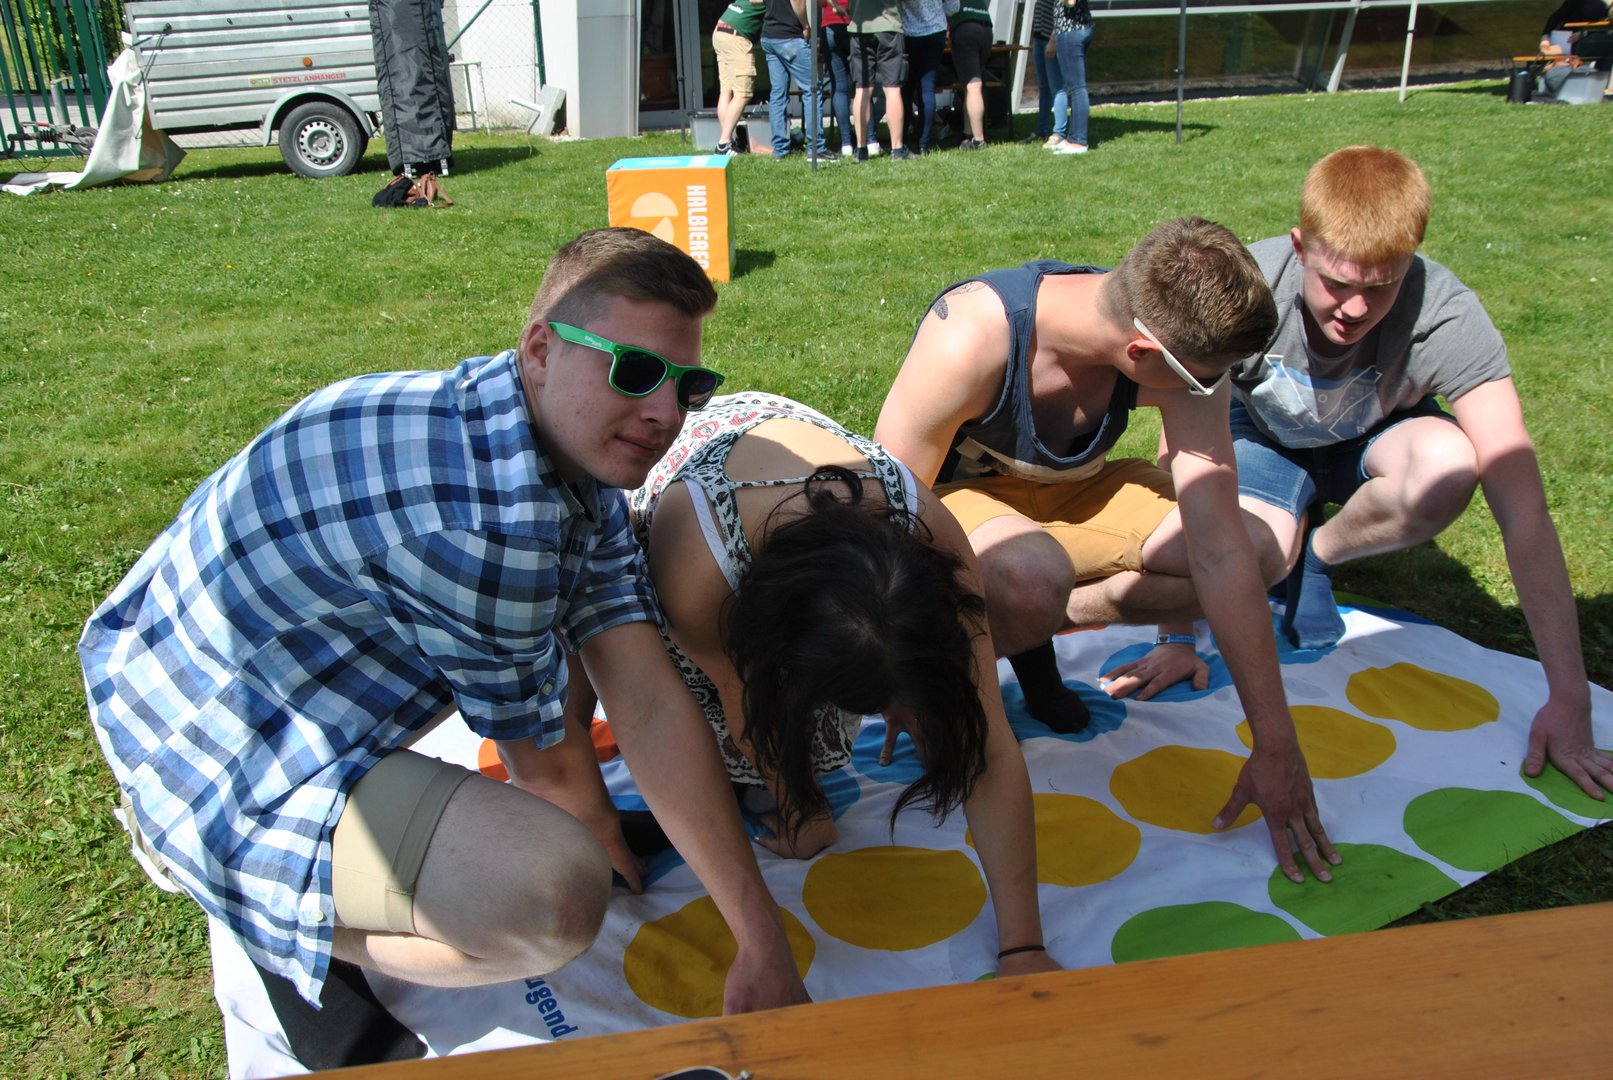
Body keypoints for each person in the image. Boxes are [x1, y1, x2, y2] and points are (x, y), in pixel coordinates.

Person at [78, 228, 810, 1068]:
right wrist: (597, 828)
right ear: (541, 349)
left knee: (580, 815)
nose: (665, 413)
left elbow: (642, 693)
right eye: (635, 371)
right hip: (209, 742)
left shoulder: (533, 432)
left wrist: (759, 935)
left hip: (240, 672)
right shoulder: (489, 529)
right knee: (554, 896)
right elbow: (552, 772)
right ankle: (268, 906)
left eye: (690, 384)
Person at [874, 217, 1339, 885]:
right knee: (1029, 576)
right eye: (1207, 380)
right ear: (1143, 354)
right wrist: (905, 674)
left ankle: (1042, 616)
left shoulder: (1171, 338)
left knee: (1262, 547)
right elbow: (891, 518)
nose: (1216, 388)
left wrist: (1276, 745)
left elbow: (1220, 549)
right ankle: (1015, 616)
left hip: (1077, 491)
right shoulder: (969, 338)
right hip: (956, 501)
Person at [567, 391, 1059, 977]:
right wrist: (798, 810)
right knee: (704, 722)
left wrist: (1024, 947)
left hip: (783, 477)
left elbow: (988, 745)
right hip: (695, 499)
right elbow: (751, 715)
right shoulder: (700, 577)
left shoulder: (930, 534)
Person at [1226, 146, 1613, 800]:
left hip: (1371, 441)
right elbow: (1182, 448)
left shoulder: (1446, 315)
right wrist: (1174, 633)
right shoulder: (1247, 287)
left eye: (1379, 287)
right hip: (1264, 439)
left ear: (1411, 261)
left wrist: (1570, 698)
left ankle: (1319, 556)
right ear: (1299, 247)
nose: (1354, 308)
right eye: (1336, 283)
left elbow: (1522, 507)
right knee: (1252, 556)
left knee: (1449, 463)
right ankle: (1286, 544)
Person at [761, 0, 836, 161]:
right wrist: (805, 25)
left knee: (778, 94)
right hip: (789, 36)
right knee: (812, 89)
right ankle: (817, 148)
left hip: (769, 36)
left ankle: (780, 150)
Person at [849, 0, 914, 160]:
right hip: (889, 26)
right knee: (892, 89)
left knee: (862, 89)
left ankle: (861, 149)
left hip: (859, 27)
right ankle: (897, 149)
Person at [713, 0, 767, 155]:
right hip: (737, 36)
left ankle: (727, 141)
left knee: (726, 91)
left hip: (720, 31)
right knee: (743, 94)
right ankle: (723, 143)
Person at [900, 0, 948, 153]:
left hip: (909, 32)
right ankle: (924, 143)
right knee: (928, 88)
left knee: (906, 90)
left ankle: (901, 141)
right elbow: (954, 6)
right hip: (936, 30)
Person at [948, 0, 994, 150]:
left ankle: (979, 140)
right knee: (971, 86)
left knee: (973, 85)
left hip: (964, 27)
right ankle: (967, 134)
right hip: (986, 27)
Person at [1050, 0, 1093, 154]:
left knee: (1077, 88)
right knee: (1074, 87)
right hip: (1079, 28)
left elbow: (1070, 2)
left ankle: (1079, 141)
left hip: (1070, 31)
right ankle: (1073, 138)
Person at [1029, 0, 1069, 148]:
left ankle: (1059, 133)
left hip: (1051, 39)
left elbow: (1062, 14)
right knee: (1044, 87)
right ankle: (1041, 130)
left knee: (1057, 88)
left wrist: (1053, 41)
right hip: (1039, 37)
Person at [820, 1, 856, 156]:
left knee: (839, 88)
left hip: (830, 26)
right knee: (863, 86)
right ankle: (870, 140)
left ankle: (846, 143)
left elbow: (820, 3)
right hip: (854, 25)